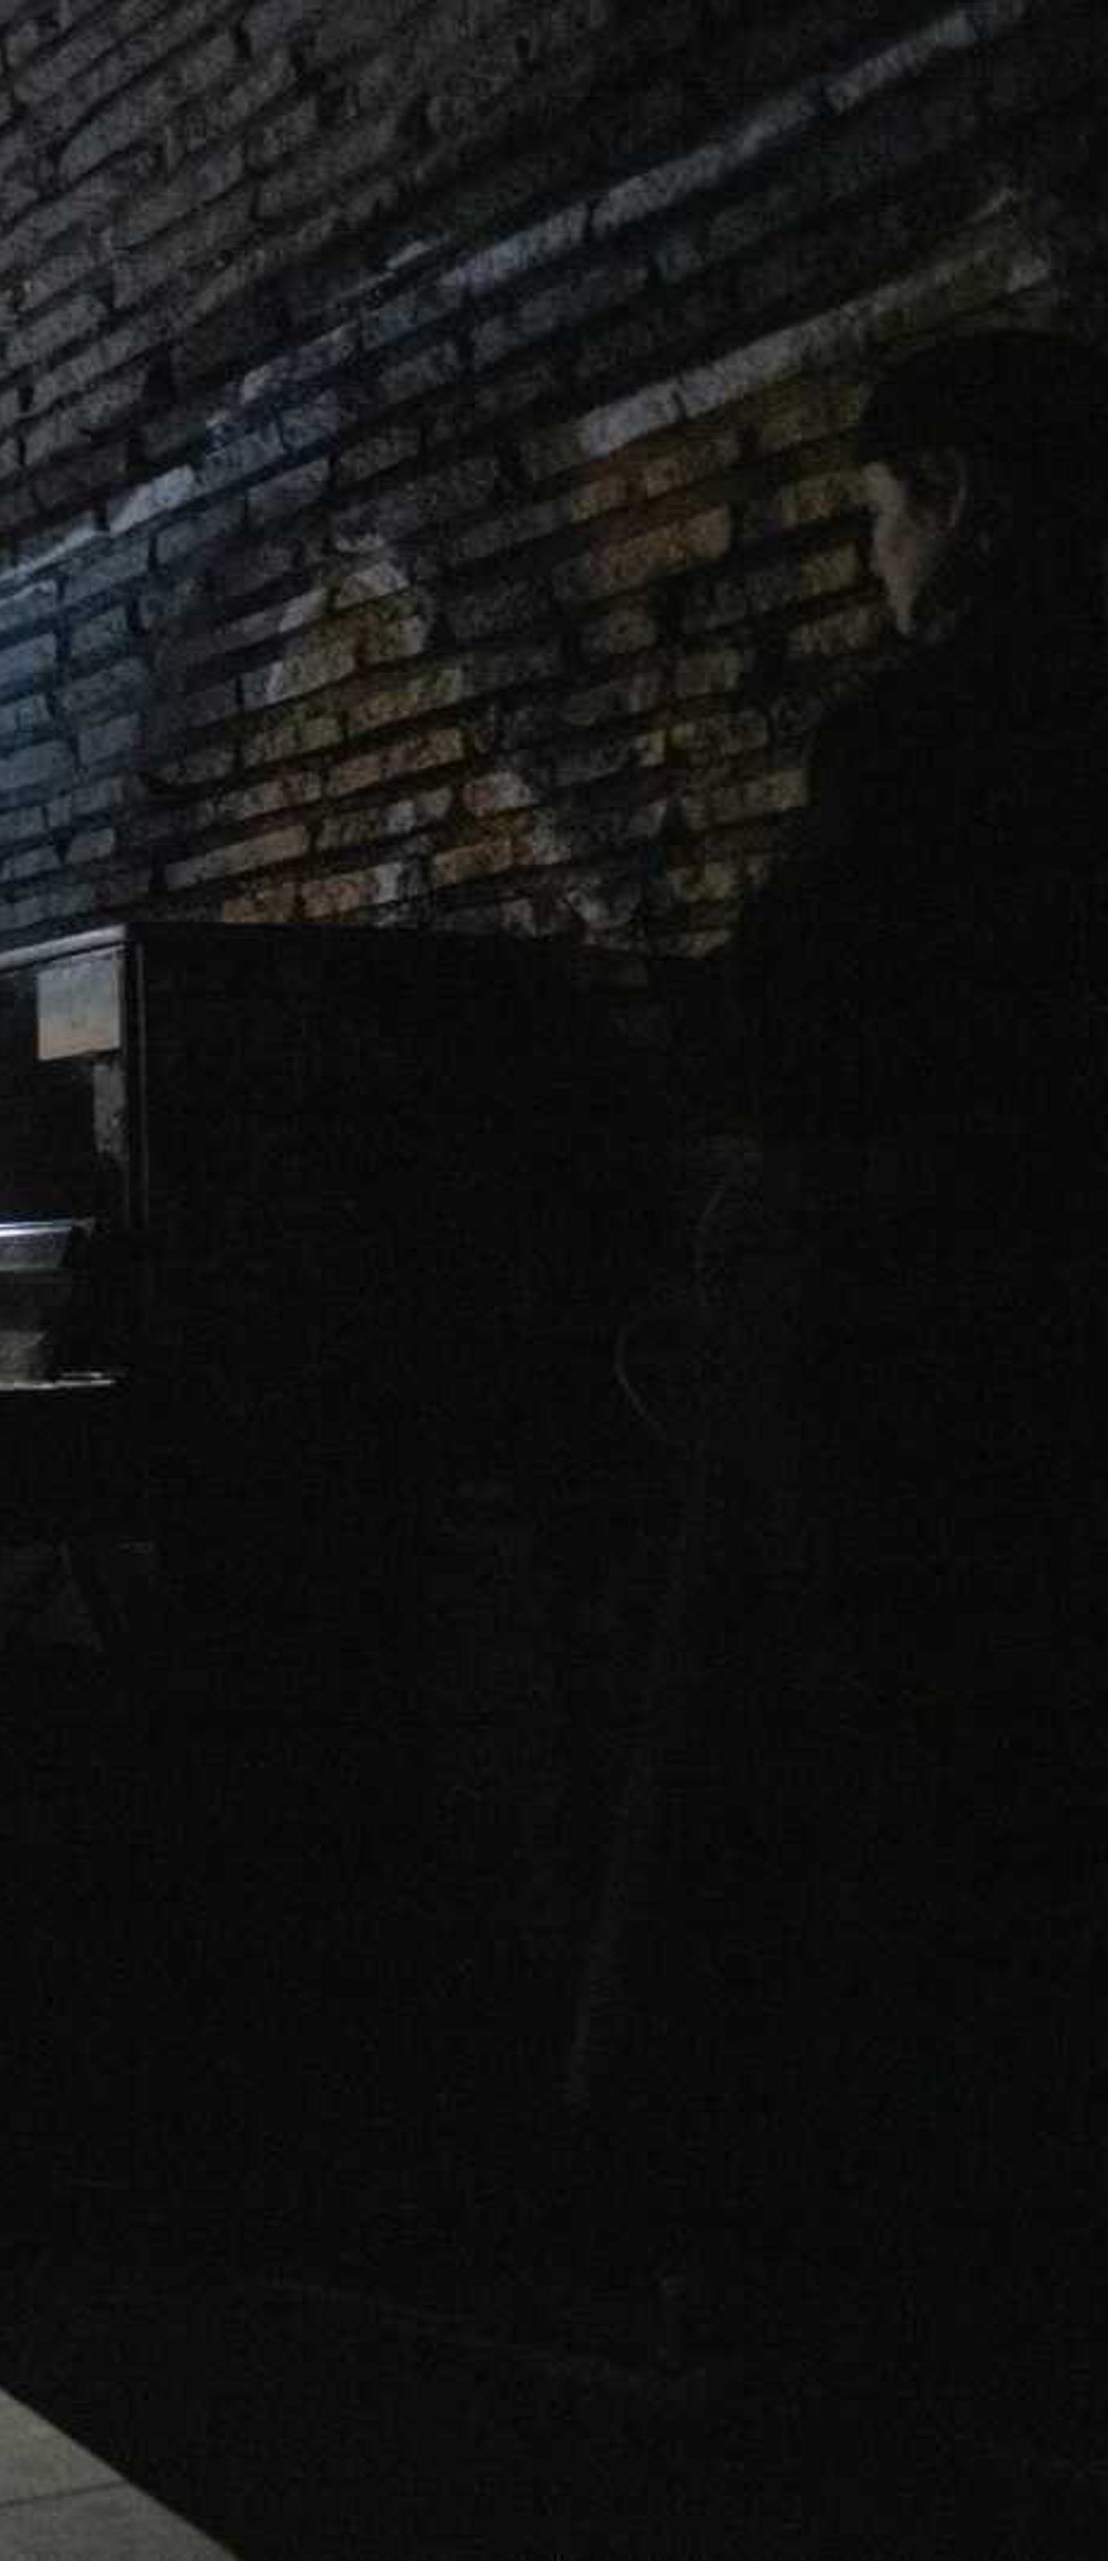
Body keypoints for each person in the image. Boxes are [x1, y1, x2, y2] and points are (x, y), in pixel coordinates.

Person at [569, 330, 1108, 2428]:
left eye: (882, 511)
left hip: (898, 1335)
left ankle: (811, 2281)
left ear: (953, 495)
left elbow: (792, 1024)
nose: (873, 553)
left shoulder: (935, 727)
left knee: (809, 1779)